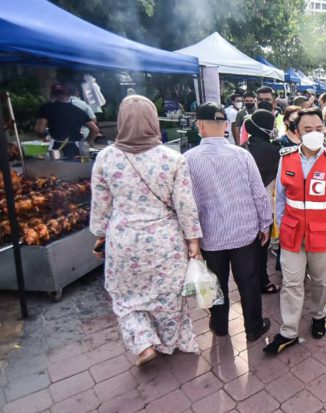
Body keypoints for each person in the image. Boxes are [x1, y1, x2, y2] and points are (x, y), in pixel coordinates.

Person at [90, 95, 202, 366]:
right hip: (165, 241)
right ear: (153, 121)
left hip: (123, 240)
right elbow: (185, 204)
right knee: (167, 296)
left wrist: (99, 236)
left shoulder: (106, 158)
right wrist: (193, 240)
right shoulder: (172, 159)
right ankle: (174, 341)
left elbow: (100, 205)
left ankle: (143, 343)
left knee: (127, 298)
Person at [264, 108, 326, 354]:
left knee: (321, 282)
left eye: (319, 129)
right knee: (291, 283)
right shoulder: (287, 158)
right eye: (308, 129)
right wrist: (281, 227)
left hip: (324, 236)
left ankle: (319, 315)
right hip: (292, 235)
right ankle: (288, 332)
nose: (315, 133)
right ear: (296, 132)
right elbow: (280, 199)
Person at [184, 103, 272, 341]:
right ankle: (253, 326)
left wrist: (190, 238)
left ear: (199, 125)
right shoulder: (242, 155)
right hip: (244, 233)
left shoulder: (188, 159)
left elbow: (186, 203)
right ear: (225, 126)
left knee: (215, 283)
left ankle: (220, 325)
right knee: (249, 282)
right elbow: (259, 193)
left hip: (210, 237)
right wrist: (265, 225)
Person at [244, 109, 284, 294]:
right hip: (265, 203)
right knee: (261, 246)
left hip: (243, 205)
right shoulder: (274, 151)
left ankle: (251, 281)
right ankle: (262, 281)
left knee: (248, 250)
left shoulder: (245, 146)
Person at [36, 84, 99, 159]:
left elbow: (40, 130)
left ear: (52, 94)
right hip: (76, 150)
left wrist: (44, 137)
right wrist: (86, 142)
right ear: (69, 94)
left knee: (56, 169)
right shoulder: (78, 111)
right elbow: (95, 129)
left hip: (55, 150)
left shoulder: (45, 108)